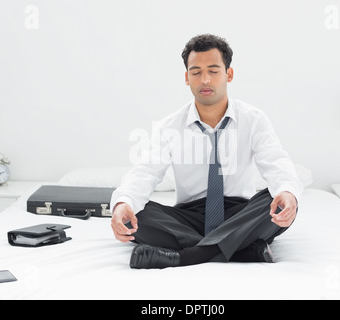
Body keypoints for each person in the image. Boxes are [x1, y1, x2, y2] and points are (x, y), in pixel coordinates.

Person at [110, 34, 303, 269]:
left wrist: (288, 193)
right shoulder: (170, 126)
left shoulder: (253, 119)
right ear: (186, 77)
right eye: (196, 72)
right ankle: (239, 249)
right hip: (188, 217)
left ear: (228, 74)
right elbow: (144, 172)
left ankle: (187, 256)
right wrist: (123, 204)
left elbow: (276, 162)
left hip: (238, 213)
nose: (205, 80)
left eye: (213, 71)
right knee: (137, 212)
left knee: (279, 200)